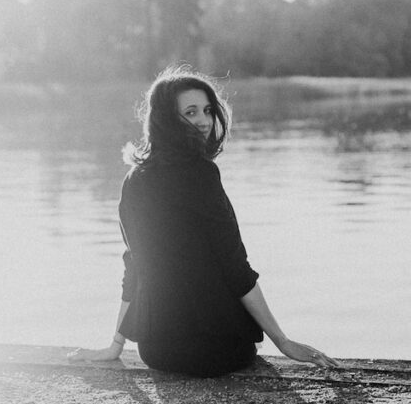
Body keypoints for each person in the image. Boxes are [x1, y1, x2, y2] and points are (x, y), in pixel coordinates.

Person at [69, 66, 338, 377]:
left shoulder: (133, 179)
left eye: (208, 110)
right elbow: (234, 265)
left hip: (157, 351)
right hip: (217, 351)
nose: (204, 120)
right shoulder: (201, 173)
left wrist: (115, 346)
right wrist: (283, 341)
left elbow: (134, 264)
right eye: (191, 112)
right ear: (167, 119)